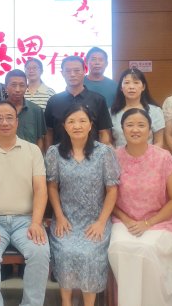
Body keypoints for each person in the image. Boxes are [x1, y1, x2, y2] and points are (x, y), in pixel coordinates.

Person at [108, 108, 172, 306]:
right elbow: (109, 198)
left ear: (150, 130)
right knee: (119, 248)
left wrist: (148, 223)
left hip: (160, 221)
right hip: (124, 220)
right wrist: (127, 220)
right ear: (122, 129)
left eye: (141, 125)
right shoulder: (113, 157)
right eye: (129, 125)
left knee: (146, 249)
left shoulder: (163, 157)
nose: (135, 129)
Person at [0, 101, 50, 306]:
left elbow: (41, 190)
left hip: (27, 220)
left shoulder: (33, 150)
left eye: (9, 118)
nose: (4, 122)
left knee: (40, 252)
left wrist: (36, 223)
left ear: (17, 121)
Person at [45, 104, 119, 306]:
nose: (77, 126)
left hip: (95, 220)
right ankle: (66, 302)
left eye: (82, 121)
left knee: (89, 254)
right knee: (65, 252)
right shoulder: (54, 153)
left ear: (90, 125)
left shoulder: (104, 152)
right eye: (71, 121)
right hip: (66, 219)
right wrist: (59, 217)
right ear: (64, 126)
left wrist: (101, 222)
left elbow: (112, 190)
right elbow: (52, 187)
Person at [44, 55, 112, 148]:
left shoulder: (98, 100)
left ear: (84, 71)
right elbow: (49, 132)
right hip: (60, 154)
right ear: (62, 73)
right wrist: (49, 153)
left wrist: (103, 154)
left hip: (92, 154)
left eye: (77, 70)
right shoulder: (53, 101)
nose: (72, 74)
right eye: (68, 71)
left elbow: (103, 132)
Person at [0, 70, 46, 152]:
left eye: (22, 85)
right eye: (13, 85)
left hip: (29, 157)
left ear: (26, 87)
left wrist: (37, 157)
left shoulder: (36, 110)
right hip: (1, 156)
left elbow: (40, 139)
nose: (17, 89)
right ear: (6, 87)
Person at [110, 68, 164, 148]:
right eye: (127, 83)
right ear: (121, 87)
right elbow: (107, 142)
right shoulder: (112, 112)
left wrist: (148, 155)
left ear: (143, 87)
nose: (131, 87)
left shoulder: (155, 111)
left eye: (136, 82)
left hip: (149, 155)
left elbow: (159, 142)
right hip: (118, 155)